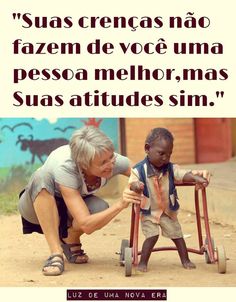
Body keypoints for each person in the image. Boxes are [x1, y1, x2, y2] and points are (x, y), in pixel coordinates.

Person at [18, 126, 141, 276]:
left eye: (111, 157)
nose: (110, 164)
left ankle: (70, 239)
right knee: (41, 176)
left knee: (101, 208)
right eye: (103, 162)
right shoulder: (67, 166)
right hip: (37, 206)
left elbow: (141, 173)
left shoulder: (111, 159)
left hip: (70, 206)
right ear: (84, 164)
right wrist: (121, 204)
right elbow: (86, 224)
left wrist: (170, 176)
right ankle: (56, 253)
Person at [129, 127, 210, 272]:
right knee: (152, 236)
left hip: (167, 211)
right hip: (149, 212)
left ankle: (185, 259)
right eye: (161, 153)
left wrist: (196, 177)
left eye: (169, 154)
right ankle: (143, 262)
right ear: (147, 149)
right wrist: (136, 186)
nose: (165, 158)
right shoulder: (139, 170)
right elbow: (132, 183)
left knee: (177, 235)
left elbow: (183, 174)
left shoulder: (171, 168)